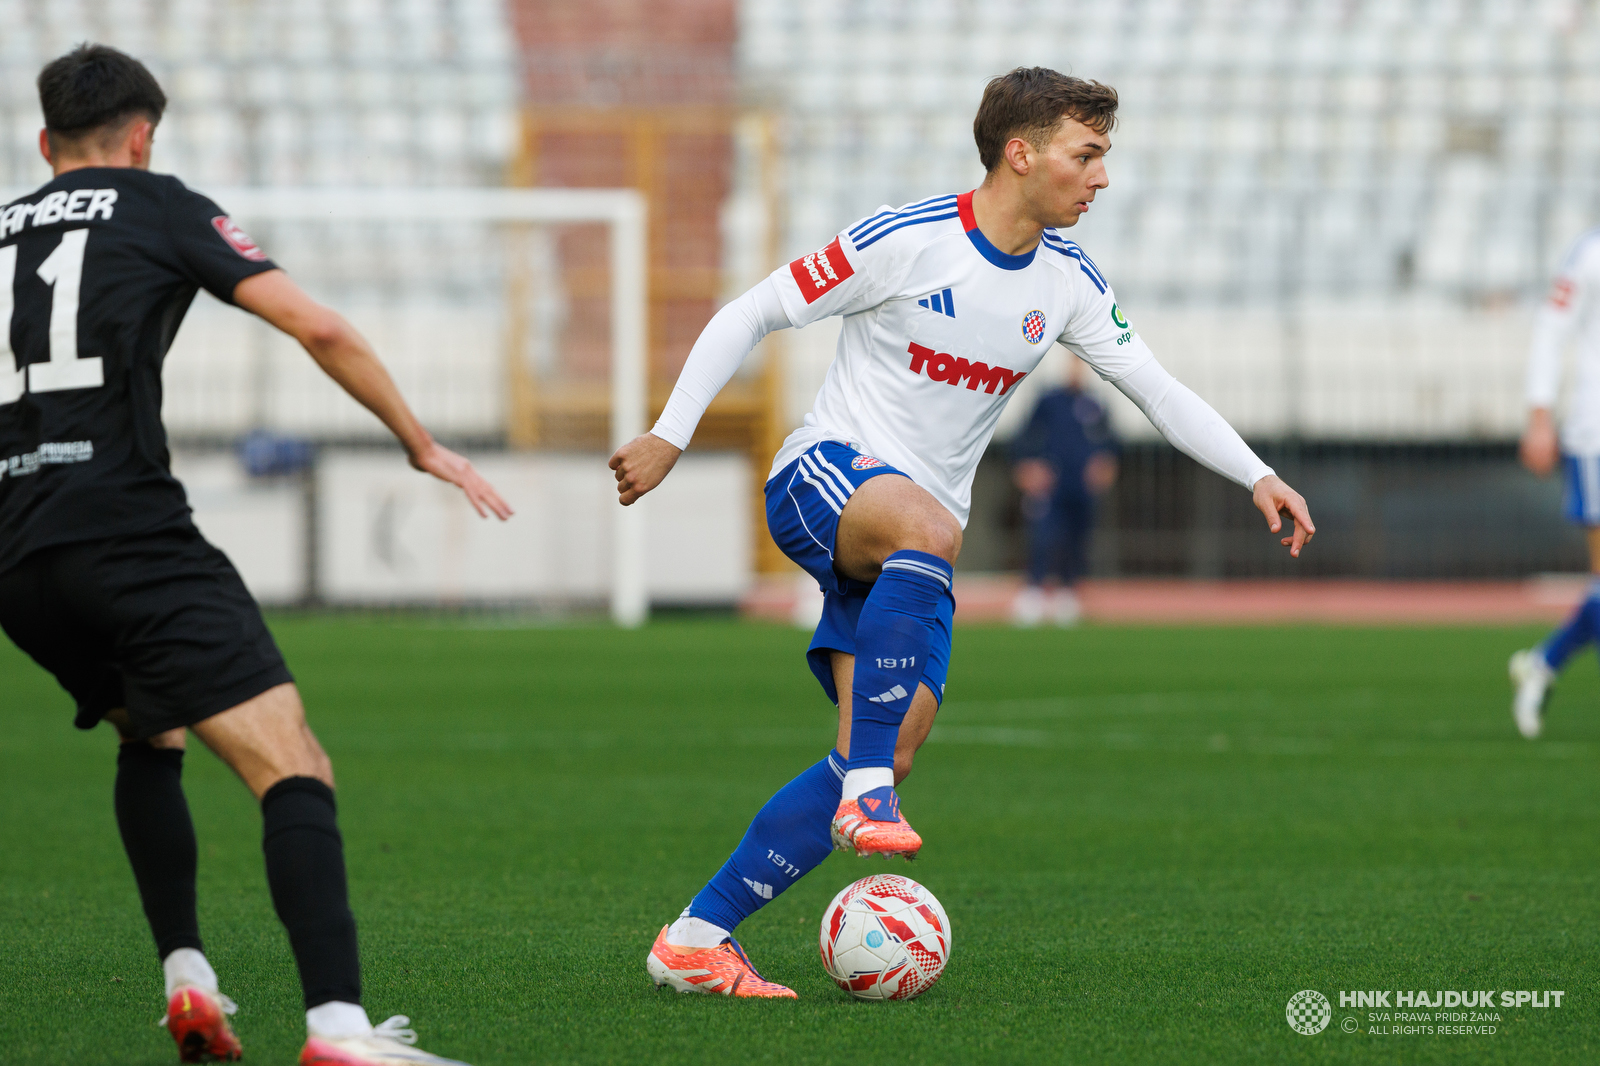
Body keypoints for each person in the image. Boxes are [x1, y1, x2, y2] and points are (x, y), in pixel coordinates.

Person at [609, 66, 1314, 998]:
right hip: (826, 476)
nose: (1102, 177)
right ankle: (869, 794)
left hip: (911, 550)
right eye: (1087, 155)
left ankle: (697, 936)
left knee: (891, 742)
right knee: (927, 542)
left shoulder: (1066, 283)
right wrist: (670, 433)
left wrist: (1256, 473)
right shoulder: (904, 241)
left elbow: (1157, 389)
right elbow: (754, 310)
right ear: (1021, 154)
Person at [0, 45, 510, 1064]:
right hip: (127, 535)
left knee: (152, 734)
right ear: (142, 138)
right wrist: (418, 442)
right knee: (293, 764)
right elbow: (315, 326)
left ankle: (188, 978)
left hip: (19, 556)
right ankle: (339, 1028)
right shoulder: (160, 203)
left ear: (45, 142)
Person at [1510, 227, 1600, 738]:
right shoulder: (1590, 254)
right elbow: (1551, 328)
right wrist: (1540, 414)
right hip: (1597, 435)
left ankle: (1543, 663)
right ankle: (1543, 663)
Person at [1011, 356, 1119, 626]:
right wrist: (1028, 468)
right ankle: (1034, 590)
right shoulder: (1049, 401)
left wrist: (1105, 466)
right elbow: (1024, 437)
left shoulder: (1095, 404)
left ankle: (1068, 591)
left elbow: (1111, 445)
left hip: (1080, 488)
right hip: (1051, 485)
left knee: (1077, 538)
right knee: (1043, 537)